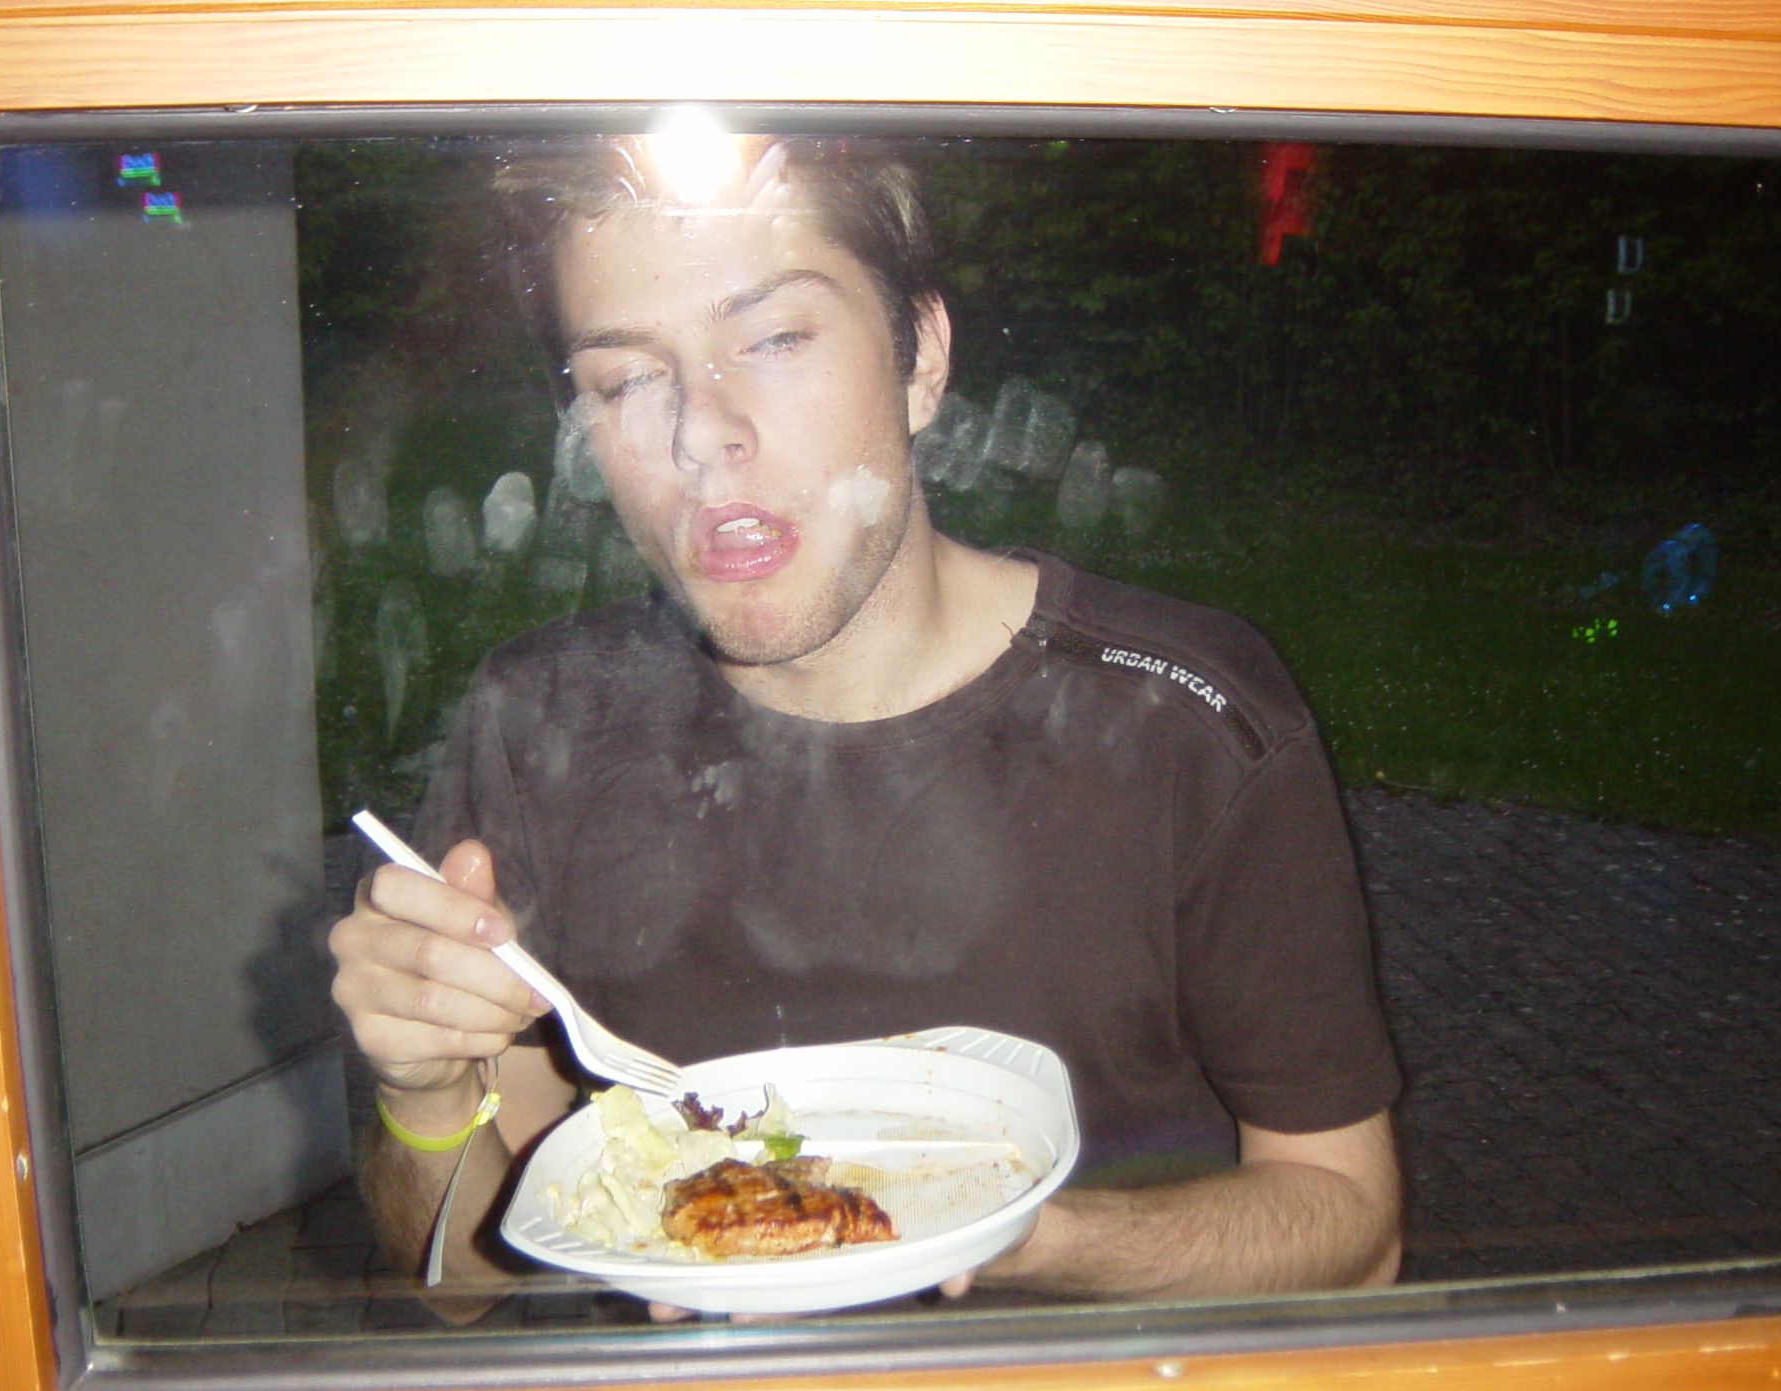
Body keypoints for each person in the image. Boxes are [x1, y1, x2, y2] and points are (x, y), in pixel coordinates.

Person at [329, 130, 1403, 1321]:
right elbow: (467, 1282)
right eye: (627, 379)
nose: (700, 431)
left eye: (775, 340)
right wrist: (423, 1092)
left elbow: (1349, 1226)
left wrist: (1018, 1236)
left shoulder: (1185, 718)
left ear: (920, 361)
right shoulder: (539, 726)